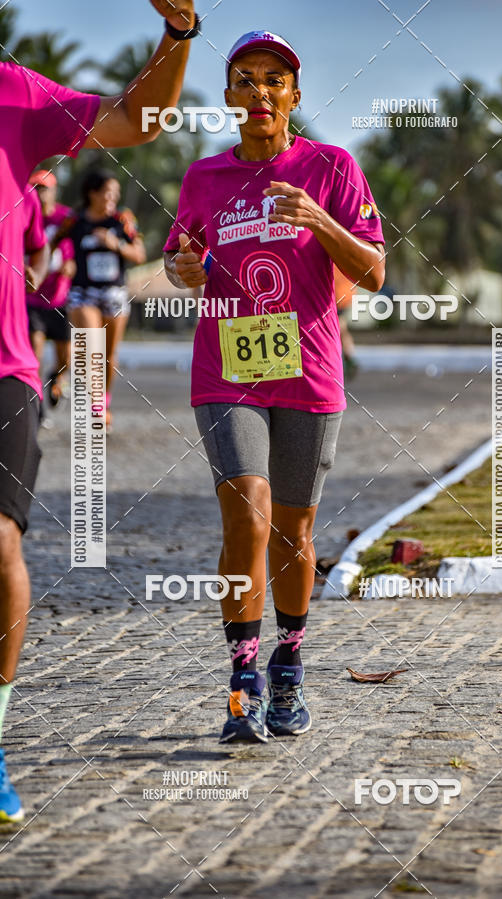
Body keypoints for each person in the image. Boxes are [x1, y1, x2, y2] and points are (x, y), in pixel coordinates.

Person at [0, 0, 199, 823]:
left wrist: (177, 37)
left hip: (5, 368)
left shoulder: (14, 94)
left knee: (0, 544)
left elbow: (137, 118)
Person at [164, 31, 385, 744]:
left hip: (309, 371)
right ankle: (243, 681)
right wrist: (184, 269)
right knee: (248, 517)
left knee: (294, 532)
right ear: (229, 96)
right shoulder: (204, 177)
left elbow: (375, 271)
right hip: (226, 371)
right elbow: (179, 259)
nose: (260, 91)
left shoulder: (331, 167)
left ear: (293, 94)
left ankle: (289, 664)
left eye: (274, 79)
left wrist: (317, 218)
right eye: (245, 79)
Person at [64, 170, 146, 432]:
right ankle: (95, 403)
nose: (113, 199)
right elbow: (50, 243)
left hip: (114, 293)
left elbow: (140, 254)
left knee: (109, 355)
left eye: (116, 194)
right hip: (83, 292)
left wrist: (115, 244)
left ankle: (103, 401)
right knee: (93, 349)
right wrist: (63, 264)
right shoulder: (74, 220)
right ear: (93, 193)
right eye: (108, 193)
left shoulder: (123, 220)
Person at [26, 170, 76, 424]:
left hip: (60, 299)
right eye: (35, 188)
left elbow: (79, 250)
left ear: (55, 191)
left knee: (66, 359)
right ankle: (38, 410)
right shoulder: (24, 215)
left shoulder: (67, 218)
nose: (40, 193)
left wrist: (73, 266)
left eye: (44, 188)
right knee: (34, 356)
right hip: (32, 299)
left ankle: (56, 377)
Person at [334, 266, 359, 379]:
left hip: (337, 296)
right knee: (342, 328)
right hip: (346, 294)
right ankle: (349, 358)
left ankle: (349, 359)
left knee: (340, 328)